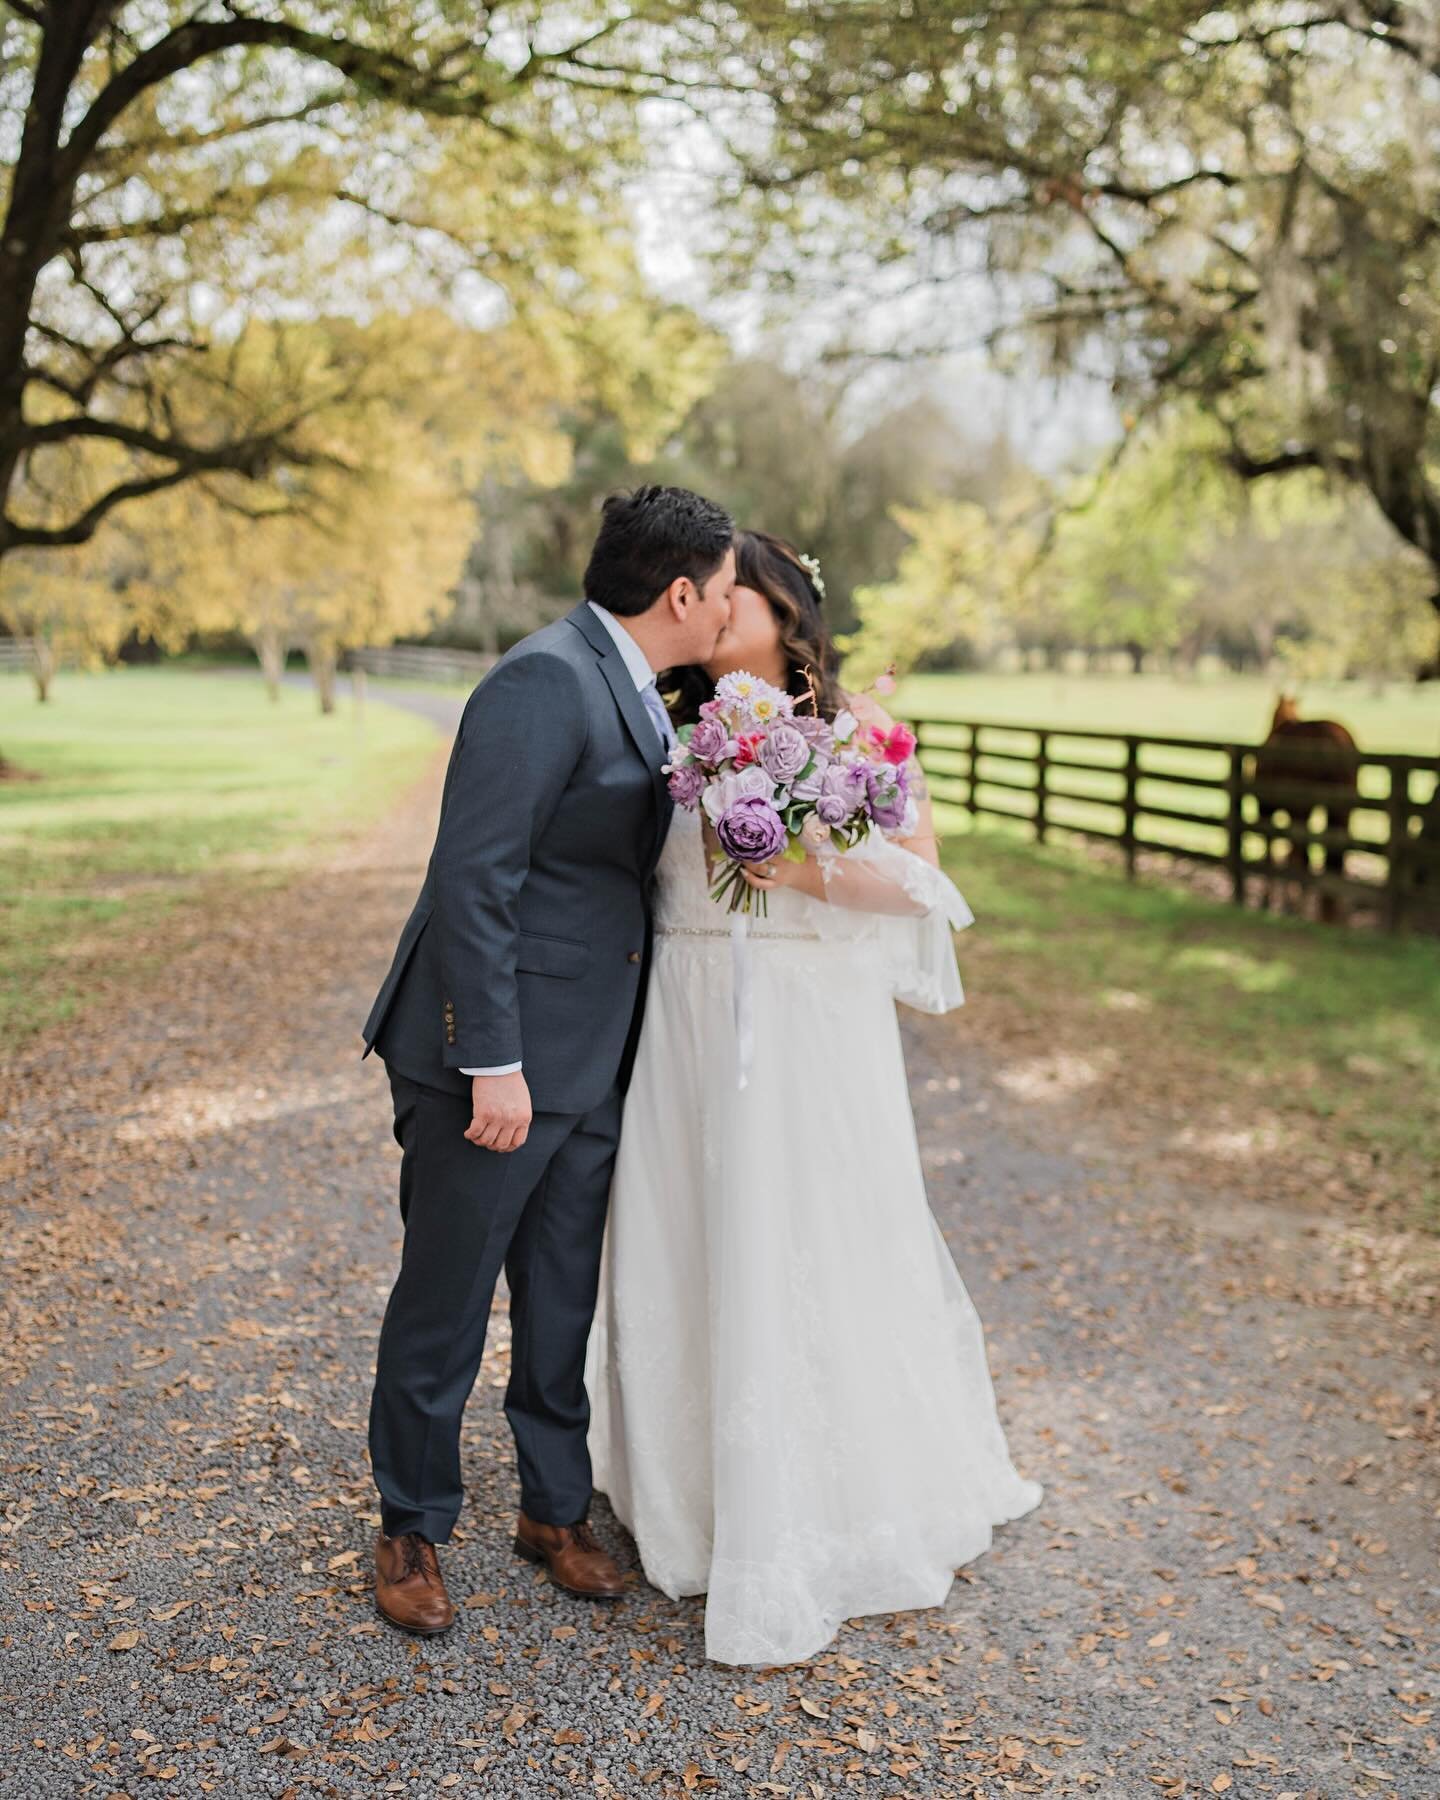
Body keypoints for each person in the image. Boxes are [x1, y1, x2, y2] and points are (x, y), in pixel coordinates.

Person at [583, 529, 1043, 1666]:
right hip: (688, 1026)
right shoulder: (663, 728)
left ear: (786, 609)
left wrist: (795, 857)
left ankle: (827, 1495)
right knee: (692, 1232)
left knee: (814, 1237)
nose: (716, 602)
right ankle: (688, 1489)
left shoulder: (863, 734)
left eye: (735, 588)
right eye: (710, 590)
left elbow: (923, 882)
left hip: (805, 1031)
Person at [359, 485, 737, 1635]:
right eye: (723, 590)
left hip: (591, 1061)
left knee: (563, 1293)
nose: (730, 609)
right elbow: (476, 881)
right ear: (681, 592)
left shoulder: (636, 684)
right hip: (497, 1061)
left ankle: (552, 1509)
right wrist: (495, 1063)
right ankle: (411, 1526)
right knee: (449, 1298)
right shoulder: (543, 679)